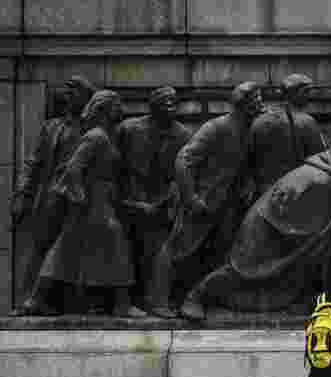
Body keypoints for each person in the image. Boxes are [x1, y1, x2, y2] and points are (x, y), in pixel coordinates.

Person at [177, 139, 331, 320]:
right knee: (242, 270)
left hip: (280, 228)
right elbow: (312, 222)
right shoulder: (322, 179)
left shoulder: (323, 172)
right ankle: (197, 295)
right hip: (269, 230)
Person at [146, 81, 265, 318]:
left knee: (221, 254)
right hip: (201, 201)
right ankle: (157, 300)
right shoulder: (217, 127)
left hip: (226, 204)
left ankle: (202, 300)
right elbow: (184, 160)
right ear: (244, 103)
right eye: (257, 99)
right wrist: (191, 198)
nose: (262, 103)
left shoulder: (251, 129)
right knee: (177, 249)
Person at [29, 90, 146, 317]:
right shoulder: (97, 136)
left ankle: (35, 300)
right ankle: (122, 303)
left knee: (65, 249)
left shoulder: (105, 135)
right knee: (116, 244)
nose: (122, 109)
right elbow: (74, 167)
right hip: (94, 202)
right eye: (117, 105)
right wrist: (79, 196)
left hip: (100, 201)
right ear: (103, 109)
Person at [11, 76, 97, 315]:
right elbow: (33, 163)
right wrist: (22, 193)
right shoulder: (51, 127)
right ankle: (29, 301)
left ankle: (69, 302)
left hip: (81, 199)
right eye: (67, 92)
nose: (68, 96)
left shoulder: (93, 129)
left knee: (75, 250)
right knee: (41, 248)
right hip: (51, 197)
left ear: (87, 98)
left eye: (75, 92)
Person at [116, 86, 192, 309]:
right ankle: (124, 302)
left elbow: (183, 173)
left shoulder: (183, 135)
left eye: (174, 102)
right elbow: (113, 166)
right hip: (127, 200)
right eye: (164, 102)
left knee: (157, 252)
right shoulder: (129, 129)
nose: (171, 106)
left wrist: (163, 202)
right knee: (125, 251)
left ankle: (155, 300)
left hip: (162, 205)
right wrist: (128, 201)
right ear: (152, 106)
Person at [245, 73, 326, 209]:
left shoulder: (259, 121)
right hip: (295, 197)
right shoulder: (307, 123)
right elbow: (320, 162)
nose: (309, 97)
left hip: (264, 197)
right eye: (305, 92)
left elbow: (249, 160)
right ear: (294, 94)